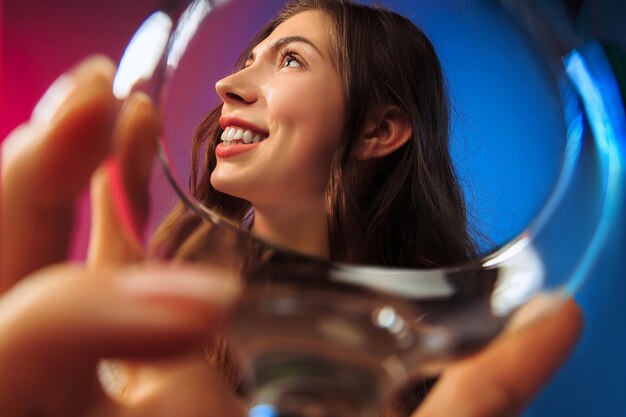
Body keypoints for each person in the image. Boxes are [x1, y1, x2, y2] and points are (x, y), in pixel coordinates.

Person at [1, 1, 582, 416]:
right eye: (248, 59)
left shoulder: (451, 360)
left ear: (380, 129)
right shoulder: (143, 340)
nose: (228, 83)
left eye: (290, 61)